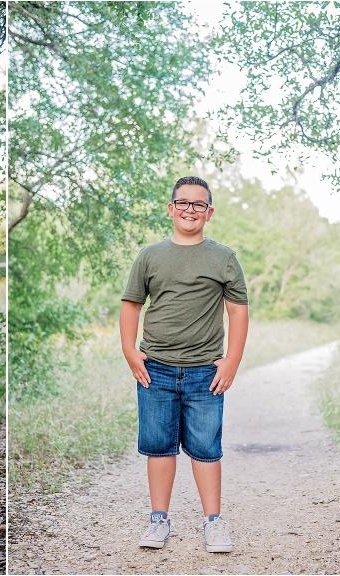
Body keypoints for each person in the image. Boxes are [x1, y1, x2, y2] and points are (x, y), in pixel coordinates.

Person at [119, 176, 249, 553]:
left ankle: (214, 522)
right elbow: (131, 304)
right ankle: (159, 518)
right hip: (154, 369)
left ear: (209, 213)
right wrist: (130, 350)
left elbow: (238, 311)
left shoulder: (223, 258)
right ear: (170, 208)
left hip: (205, 371)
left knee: (206, 447)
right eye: (183, 203)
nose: (189, 209)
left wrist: (232, 361)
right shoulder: (150, 256)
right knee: (159, 447)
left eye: (198, 204)